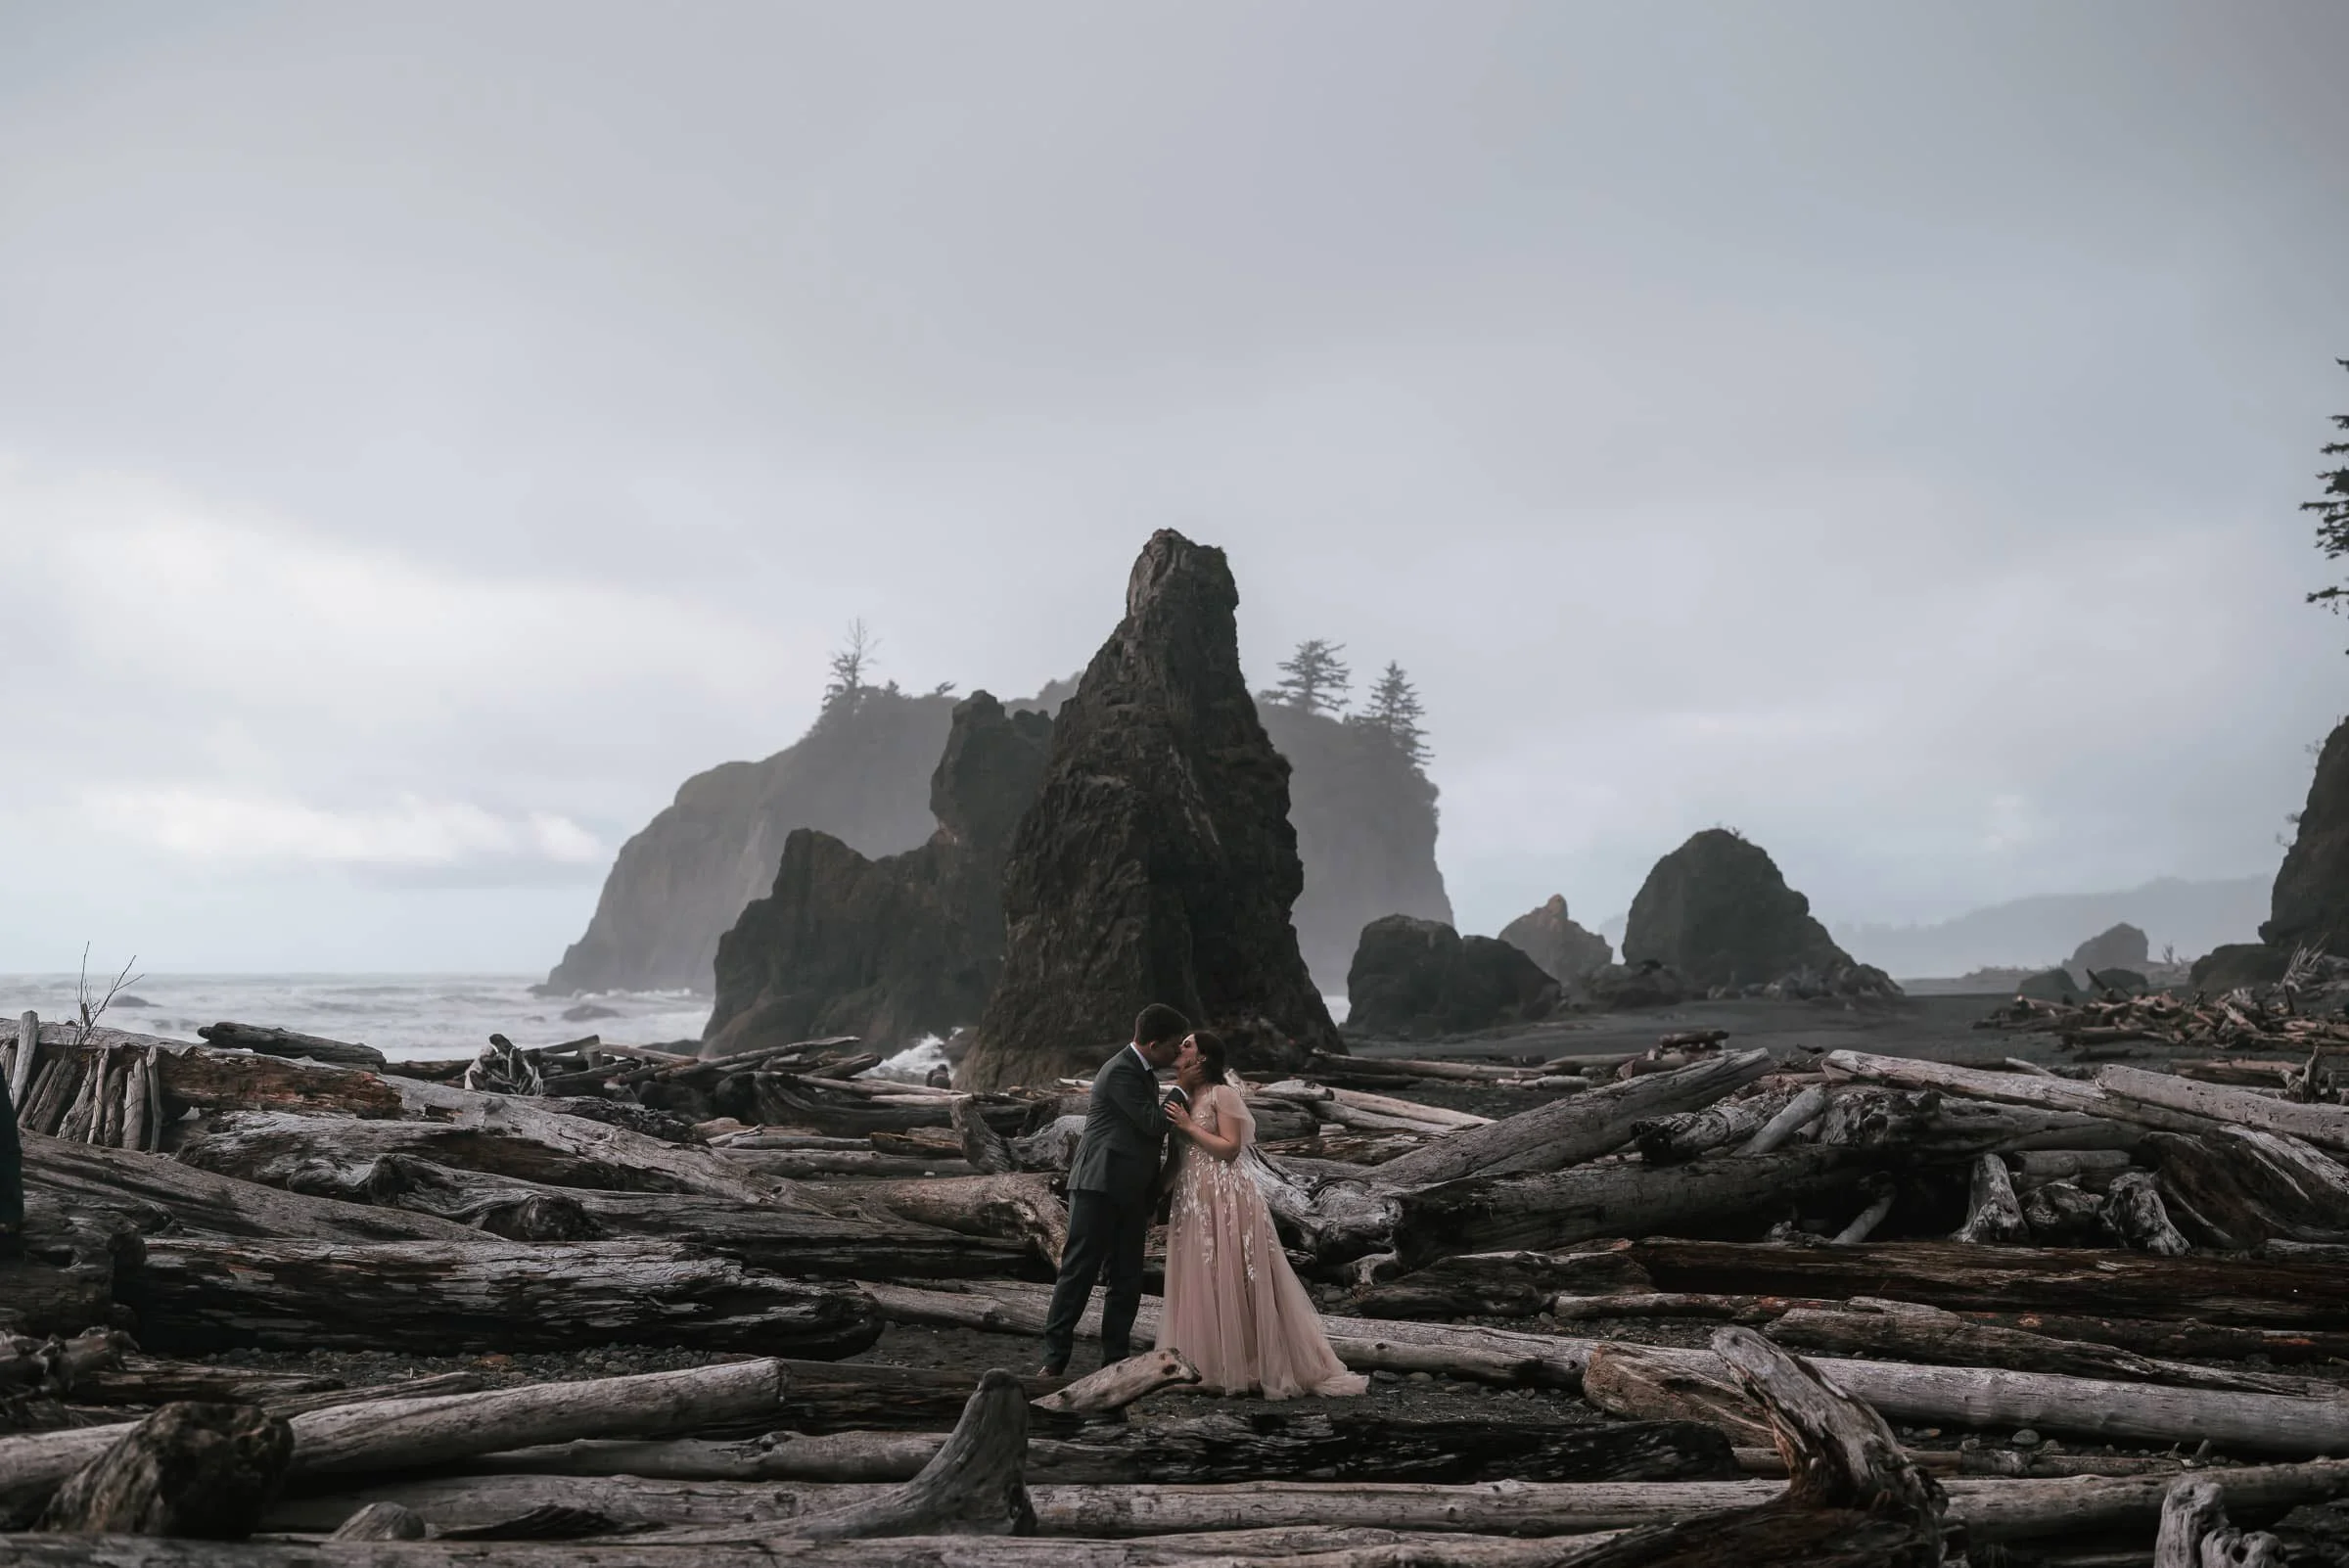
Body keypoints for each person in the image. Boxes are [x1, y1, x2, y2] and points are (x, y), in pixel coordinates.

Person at [1158, 1030, 1368, 1399]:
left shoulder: (1223, 1094)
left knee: (1238, 1276)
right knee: (1201, 1277)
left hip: (1226, 1196)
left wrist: (1190, 1126)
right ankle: (1210, 1360)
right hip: (1192, 1199)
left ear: (1203, 1057)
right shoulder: (1183, 1097)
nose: (1180, 1047)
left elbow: (1230, 1149)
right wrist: (1152, 1197)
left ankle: (1253, 1362)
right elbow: (1177, 1158)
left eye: (1187, 1044)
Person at [1037, 1002, 1192, 1376]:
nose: (1177, 1054)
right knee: (1078, 1272)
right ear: (1153, 1044)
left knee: (1126, 1279)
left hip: (1131, 1192)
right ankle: (1053, 1360)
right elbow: (1154, 1125)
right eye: (1174, 1046)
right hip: (1098, 1185)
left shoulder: (1145, 1074)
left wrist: (1153, 1193)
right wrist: (1183, 1089)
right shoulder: (1120, 1071)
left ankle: (1115, 1362)